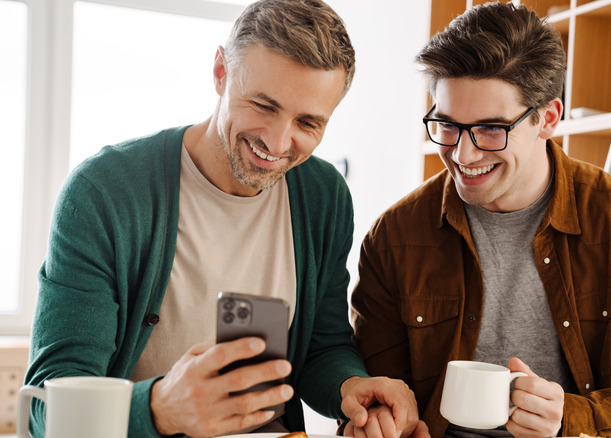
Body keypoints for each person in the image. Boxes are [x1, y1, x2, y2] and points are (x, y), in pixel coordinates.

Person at [24, 1, 420, 437]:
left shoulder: (323, 196)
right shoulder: (104, 192)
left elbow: (321, 348)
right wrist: (159, 409)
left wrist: (352, 386)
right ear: (220, 72)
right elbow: (48, 408)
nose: (277, 142)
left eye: (308, 122)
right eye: (263, 105)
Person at [350, 2, 611, 437]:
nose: (463, 156)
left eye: (490, 129)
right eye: (447, 125)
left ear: (548, 119)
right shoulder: (395, 236)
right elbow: (376, 388)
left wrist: (571, 418)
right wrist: (375, 420)